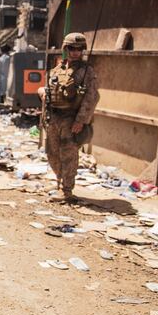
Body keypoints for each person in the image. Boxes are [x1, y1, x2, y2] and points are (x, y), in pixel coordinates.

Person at [38, 32, 100, 203]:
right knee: (52, 153)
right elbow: (49, 90)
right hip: (54, 117)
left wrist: (81, 120)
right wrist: (42, 92)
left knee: (68, 154)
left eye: (79, 49)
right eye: (72, 48)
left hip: (70, 119)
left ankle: (67, 191)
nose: (75, 52)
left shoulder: (86, 71)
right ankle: (59, 182)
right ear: (66, 49)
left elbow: (92, 97)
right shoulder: (57, 69)